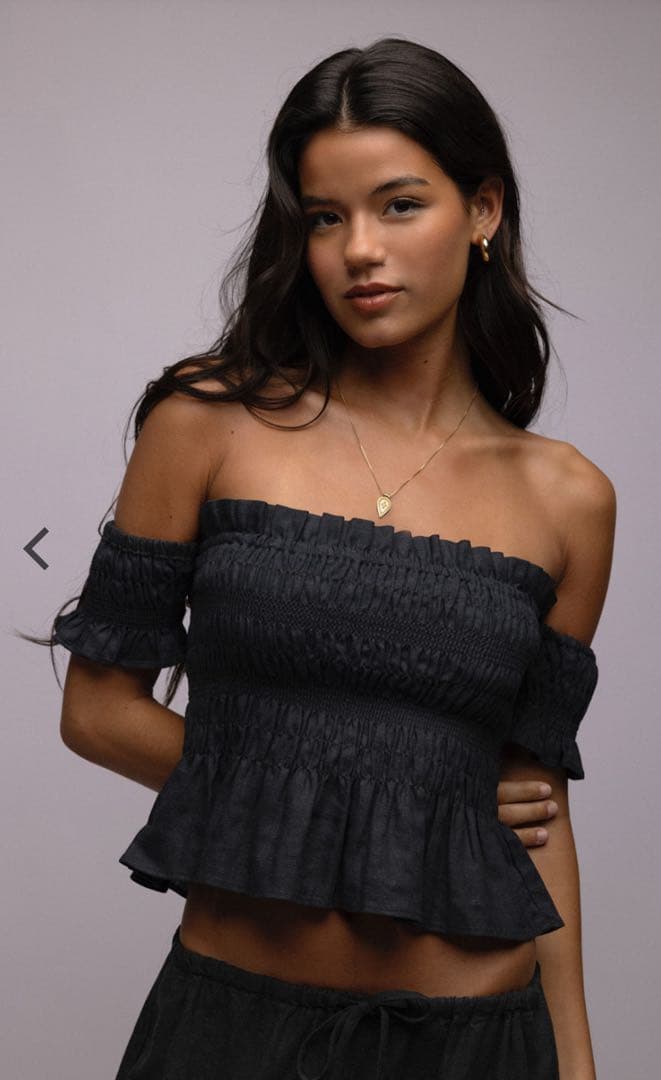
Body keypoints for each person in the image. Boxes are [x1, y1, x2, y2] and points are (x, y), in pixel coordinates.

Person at [32, 35, 615, 1080]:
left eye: (400, 205)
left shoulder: (568, 499)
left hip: (479, 1041)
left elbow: (534, 809)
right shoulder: (207, 422)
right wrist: (361, 792)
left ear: (482, 211)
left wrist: (575, 1062)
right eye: (324, 217)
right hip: (233, 1029)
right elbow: (98, 710)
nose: (360, 250)